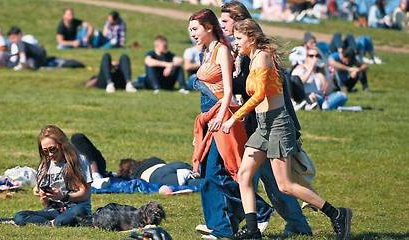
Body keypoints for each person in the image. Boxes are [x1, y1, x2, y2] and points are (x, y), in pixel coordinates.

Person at [221, 19, 352, 240]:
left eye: (239, 38)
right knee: (244, 176)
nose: (236, 43)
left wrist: (234, 118)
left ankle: (337, 213)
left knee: (285, 185)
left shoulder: (262, 56)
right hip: (263, 125)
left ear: (251, 38)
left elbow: (260, 93)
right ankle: (252, 231)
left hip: (278, 125)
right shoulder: (249, 58)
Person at [189, 9, 272, 239]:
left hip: (221, 116)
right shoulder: (205, 52)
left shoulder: (222, 50)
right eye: (190, 30)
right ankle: (219, 225)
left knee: (217, 172)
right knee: (207, 173)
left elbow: (227, 92)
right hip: (208, 115)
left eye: (195, 29)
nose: (192, 34)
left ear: (209, 27)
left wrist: (220, 117)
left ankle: (255, 212)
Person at [14, 125, 93, 227]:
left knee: (78, 211)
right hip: (53, 211)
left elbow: (85, 193)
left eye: (52, 149)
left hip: (75, 207)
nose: (50, 154)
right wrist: (43, 196)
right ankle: (53, 223)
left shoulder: (79, 160)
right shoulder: (45, 165)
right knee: (20, 216)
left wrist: (64, 197)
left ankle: (52, 222)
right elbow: (46, 205)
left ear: (62, 145)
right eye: (45, 151)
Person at [117, 157, 201, 187]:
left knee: (190, 183)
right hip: (171, 165)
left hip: (156, 176)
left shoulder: (135, 175)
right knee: (201, 172)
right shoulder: (151, 160)